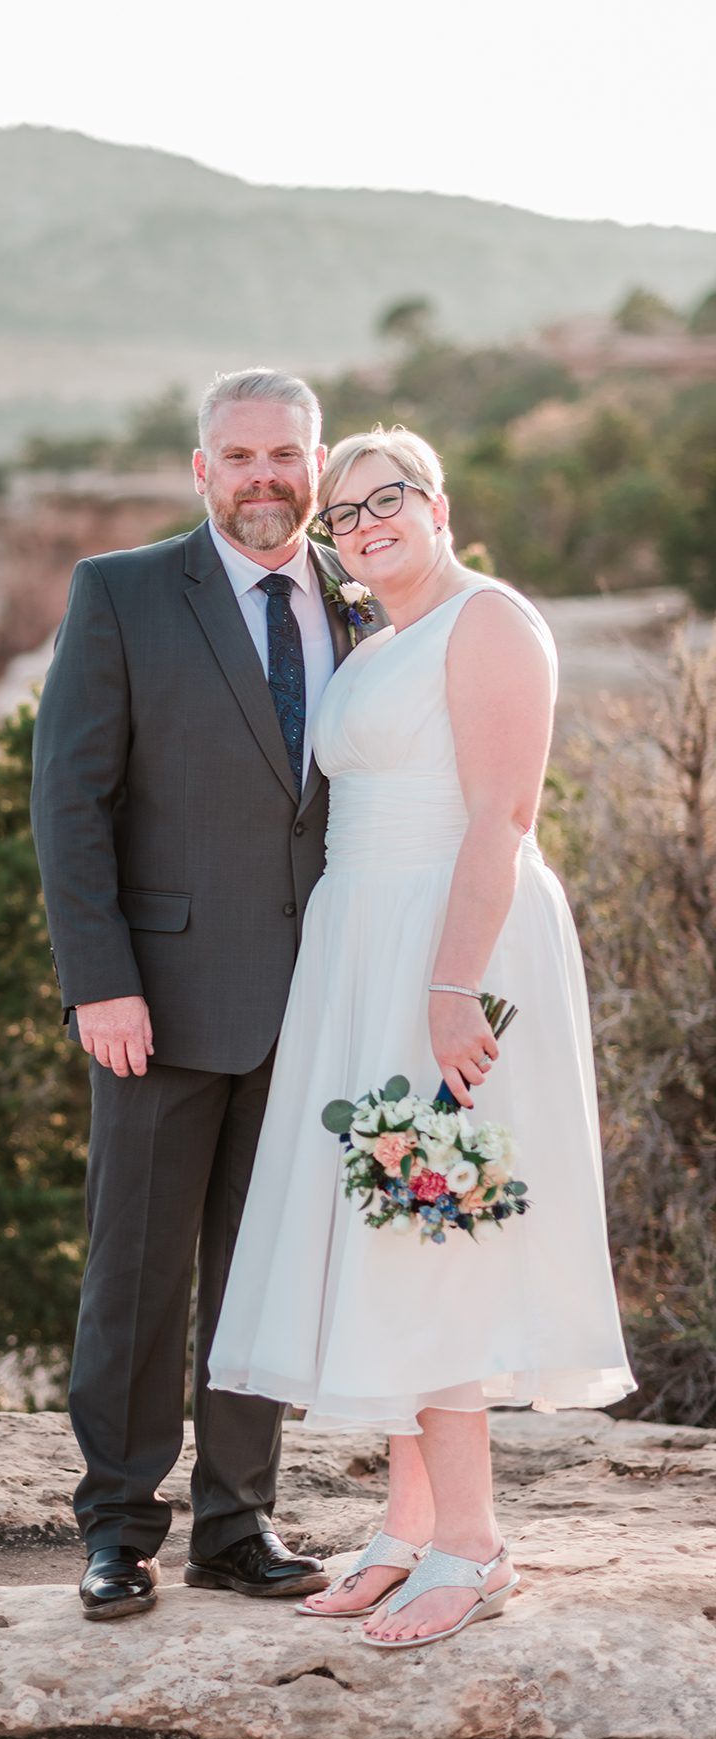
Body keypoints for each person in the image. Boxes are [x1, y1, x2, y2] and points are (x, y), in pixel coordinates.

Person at [209, 425, 635, 1647]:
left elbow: (501, 815)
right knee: (384, 1229)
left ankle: (474, 1545)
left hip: (454, 954)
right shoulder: (377, 645)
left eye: (387, 497)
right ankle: (406, 1528)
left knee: (432, 1219)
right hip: (361, 953)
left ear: (439, 504)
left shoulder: (490, 621)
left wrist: (452, 987)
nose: (366, 523)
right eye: (344, 515)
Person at [31, 369, 375, 1622]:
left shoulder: (353, 593)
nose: (264, 477)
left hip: (314, 1002)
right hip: (158, 1003)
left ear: (318, 462)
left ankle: (237, 1522)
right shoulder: (120, 592)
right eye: (240, 457)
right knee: (136, 1271)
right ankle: (118, 1526)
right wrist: (102, 983)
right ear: (201, 469)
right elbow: (68, 803)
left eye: (286, 454)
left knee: (260, 1269)